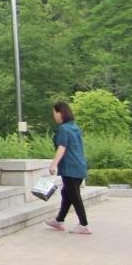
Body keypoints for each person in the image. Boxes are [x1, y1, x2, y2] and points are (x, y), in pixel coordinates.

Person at [45, 100, 90, 234]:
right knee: (67, 193)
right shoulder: (74, 127)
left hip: (70, 168)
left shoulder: (63, 129)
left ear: (60, 113)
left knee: (74, 196)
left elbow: (62, 147)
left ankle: (84, 224)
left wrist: (54, 164)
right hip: (79, 166)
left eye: (54, 113)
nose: (54, 116)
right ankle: (59, 220)